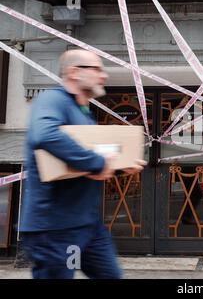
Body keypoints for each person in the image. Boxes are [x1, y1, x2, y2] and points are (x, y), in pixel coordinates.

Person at [20, 49, 147, 279]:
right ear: (74, 72)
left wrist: (119, 168)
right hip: (56, 229)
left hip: (88, 227)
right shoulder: (53, 100)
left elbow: (85, 162)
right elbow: (45, 135)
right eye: (97, 69)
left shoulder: (84, 112)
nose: (104, 76)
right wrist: (98, 164)